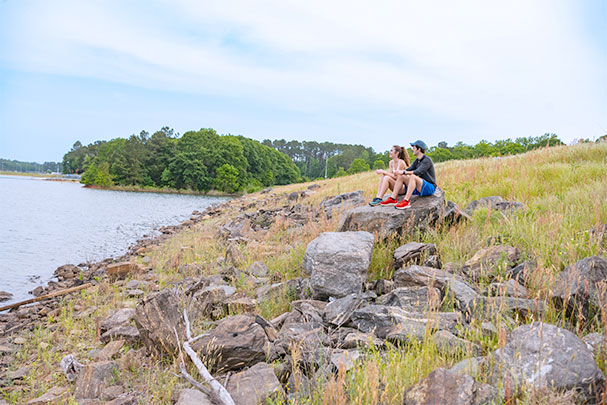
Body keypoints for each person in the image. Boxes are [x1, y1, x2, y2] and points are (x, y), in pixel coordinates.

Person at [380, 140, 436, 209]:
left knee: (412, 176)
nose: (412, 149)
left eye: (414, 148)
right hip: (420, 187)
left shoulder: (427, 160)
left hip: (429, 187)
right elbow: (409, 169)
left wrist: (403, 172)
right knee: (402, 176)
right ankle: (393, 199)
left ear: (419, 149)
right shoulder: (417, 160)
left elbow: (417, 172)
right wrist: (399, 172)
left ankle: (406, 201)